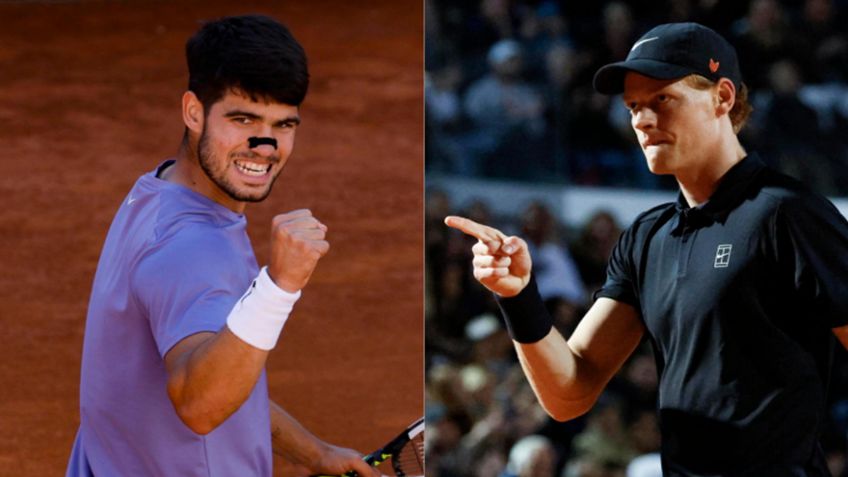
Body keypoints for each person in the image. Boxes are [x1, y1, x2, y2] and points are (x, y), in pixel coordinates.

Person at [446, 22, 848, 476]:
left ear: (722, 97)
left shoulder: (789, 214)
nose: (641, 120)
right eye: (633, 106)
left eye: (663, 100)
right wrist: (519, 296)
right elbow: (569, 393)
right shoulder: (647, 237)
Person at [66, 15, 380, 477]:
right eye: (243, 119)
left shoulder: (157, 191)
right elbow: (201, 403)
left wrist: (313, 453)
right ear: (194, 113)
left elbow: (225, 374)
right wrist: (279, 287)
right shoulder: (194, 250)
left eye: (283, 124)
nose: (265, 145)